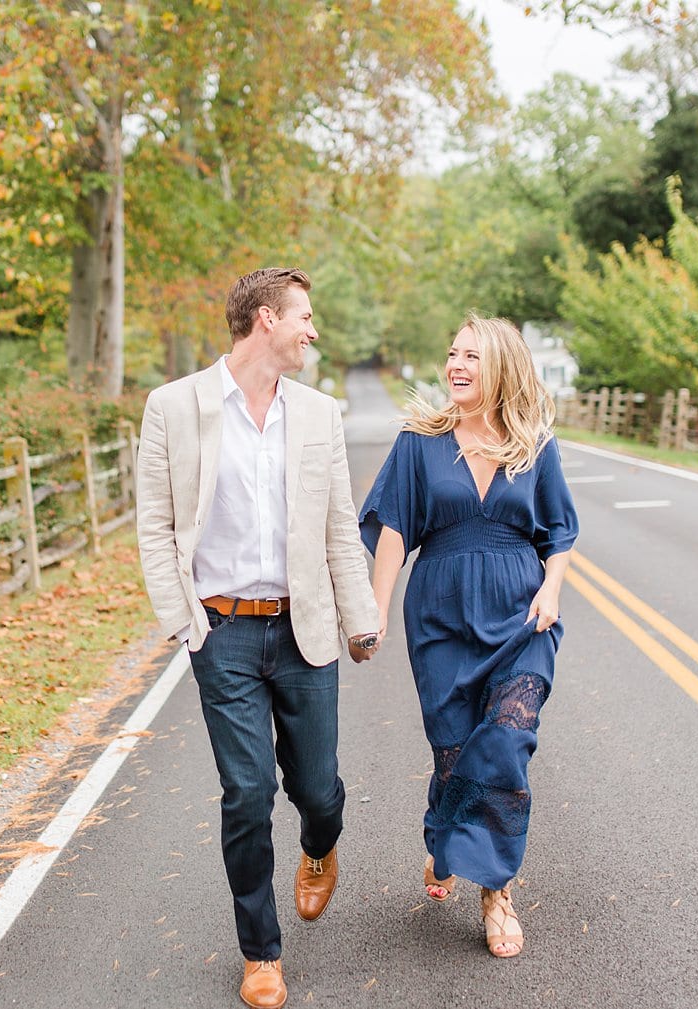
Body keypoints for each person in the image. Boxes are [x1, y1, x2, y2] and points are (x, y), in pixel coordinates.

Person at [135, 267, 381, 1009]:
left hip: (301, 626)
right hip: (223, 633)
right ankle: (260, 952)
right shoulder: (173, 407)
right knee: (246, 792)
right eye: (304, 317)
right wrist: (184, 622)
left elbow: (339, 523)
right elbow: (153, 523)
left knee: (316, 789)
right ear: (265, 320)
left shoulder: (318, 413)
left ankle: (318, 846)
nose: (312, 330)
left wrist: (359, 613)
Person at [358, 313, 578, 959]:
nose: (455, 365)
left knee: (505, 742)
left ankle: (495, 890)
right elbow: (393, 529)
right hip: (441, 619)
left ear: (501, 368)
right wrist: (373, 611)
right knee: (455, 751)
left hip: (520, 613)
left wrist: (552, 587)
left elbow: (559, 530)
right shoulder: (418, 443)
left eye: (471, 357)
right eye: (451, 353)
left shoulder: (534, 443)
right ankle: (448, 830)